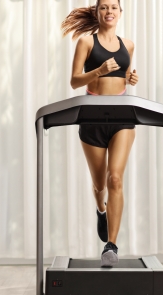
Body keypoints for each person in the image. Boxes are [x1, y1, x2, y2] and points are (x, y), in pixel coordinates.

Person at [61, 0, 139, 267]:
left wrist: (130, 78)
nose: (109, 12)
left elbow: (125, 73)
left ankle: (111, 246)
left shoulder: (128, 44)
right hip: (92, 116)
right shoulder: (85, 42)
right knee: (100, 185)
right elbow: (74, 81)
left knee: (115, 178)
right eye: (104, 7)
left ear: (120, 13)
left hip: (122, 115)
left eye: (113, 8)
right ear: (97, 12)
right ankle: (101, 209)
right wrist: (97, 71)